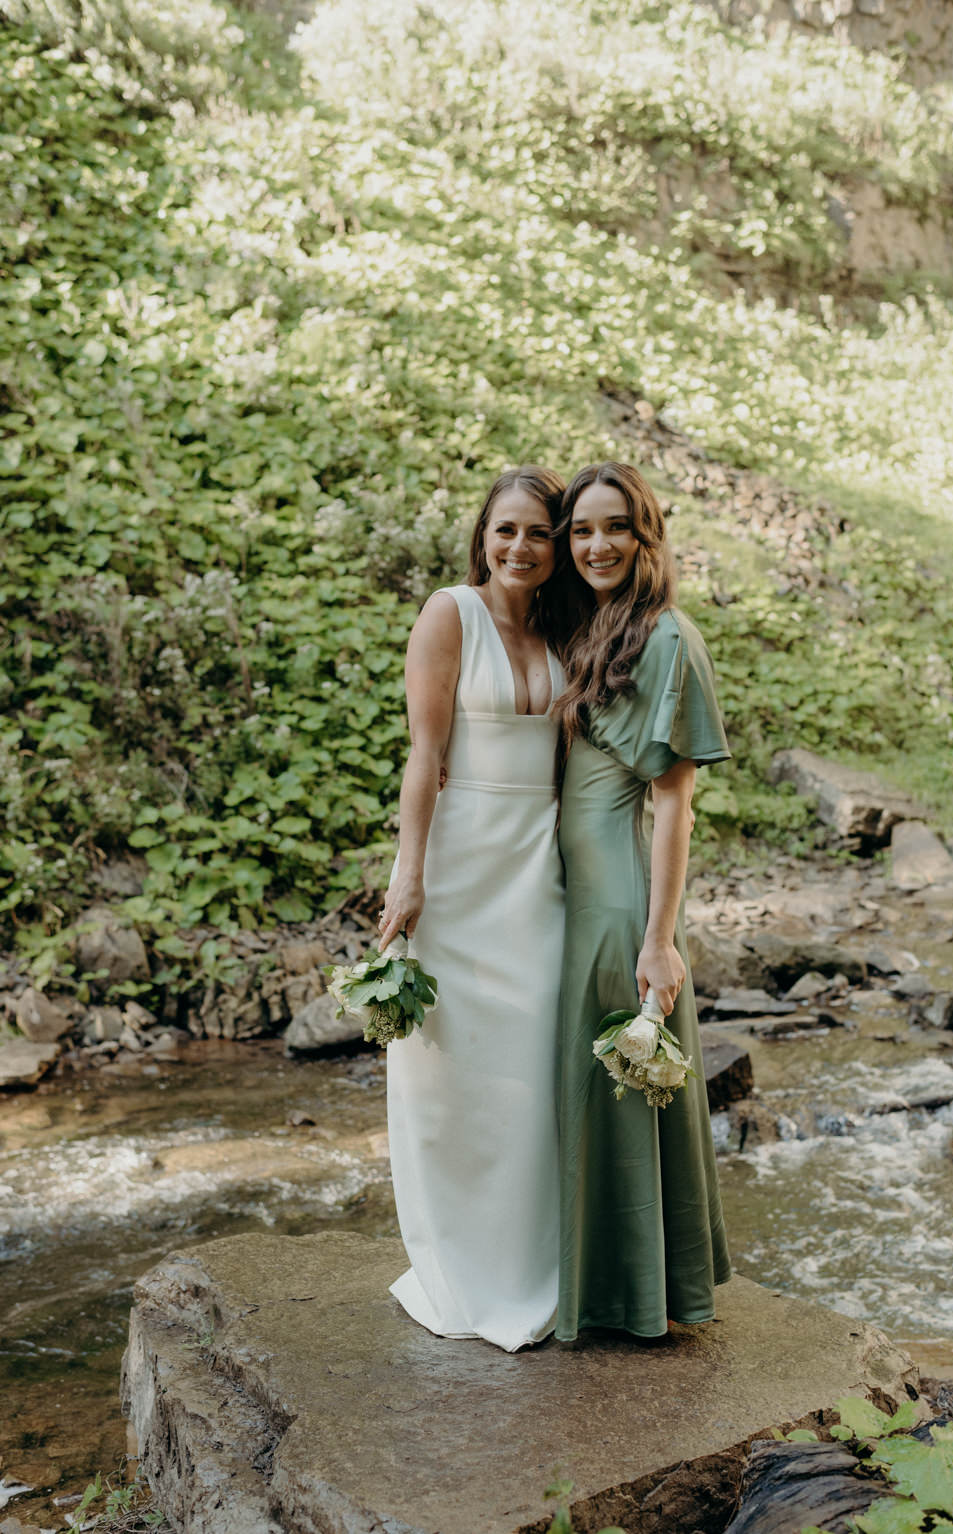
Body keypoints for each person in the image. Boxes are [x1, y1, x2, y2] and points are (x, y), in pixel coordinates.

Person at [377, 465, 568, 1352]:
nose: (520, 547)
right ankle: (459, 1273)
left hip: (540, 866)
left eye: (538, 532)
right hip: (460, 863)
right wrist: (410, 872)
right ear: (482, 537)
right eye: (506, 530)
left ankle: (537, 1270)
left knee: (532, 1074)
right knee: (446, 1072)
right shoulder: (449, 613)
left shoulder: (574, 627)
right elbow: (425, 754)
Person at [553, 460, 732, 1341]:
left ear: (646, 534)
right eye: (581, 530)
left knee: (619, 1096)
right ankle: (606, 1287)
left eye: (614, 527)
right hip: (580, 897)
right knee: (594, 1100)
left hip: (622, 903)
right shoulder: (596, 627)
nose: (596, 545)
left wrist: (659, 940)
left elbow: (673, 803)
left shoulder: (666, 639)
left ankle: (635, 1299)